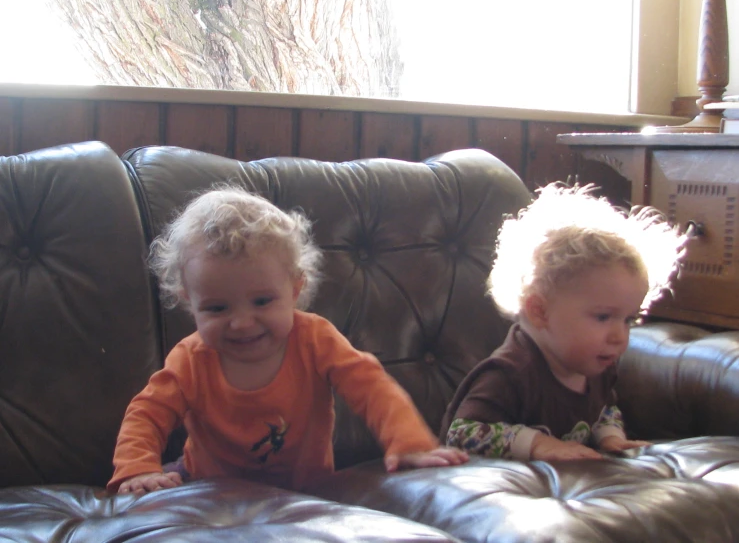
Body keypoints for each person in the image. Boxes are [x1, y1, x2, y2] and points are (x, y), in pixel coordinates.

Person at [108, 186, 467, 495]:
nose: (242, 323)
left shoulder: (315, 339)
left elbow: (371, 386)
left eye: (262, 301)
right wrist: (139, 469)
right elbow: (147, 413)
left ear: (296, 288)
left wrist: (408, 442)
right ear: (190, 302)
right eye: (217, 308)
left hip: (306, 489)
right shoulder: (190, 359)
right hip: (209, 492)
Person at [440, 183, 686, 462]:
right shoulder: (511, 373)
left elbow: (603, 408)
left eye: (629, 319)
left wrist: (611, 437)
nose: (619, 336)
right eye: (603, 317)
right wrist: (538, 444)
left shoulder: (595, 366)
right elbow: (461, 433)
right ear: (540, 311)